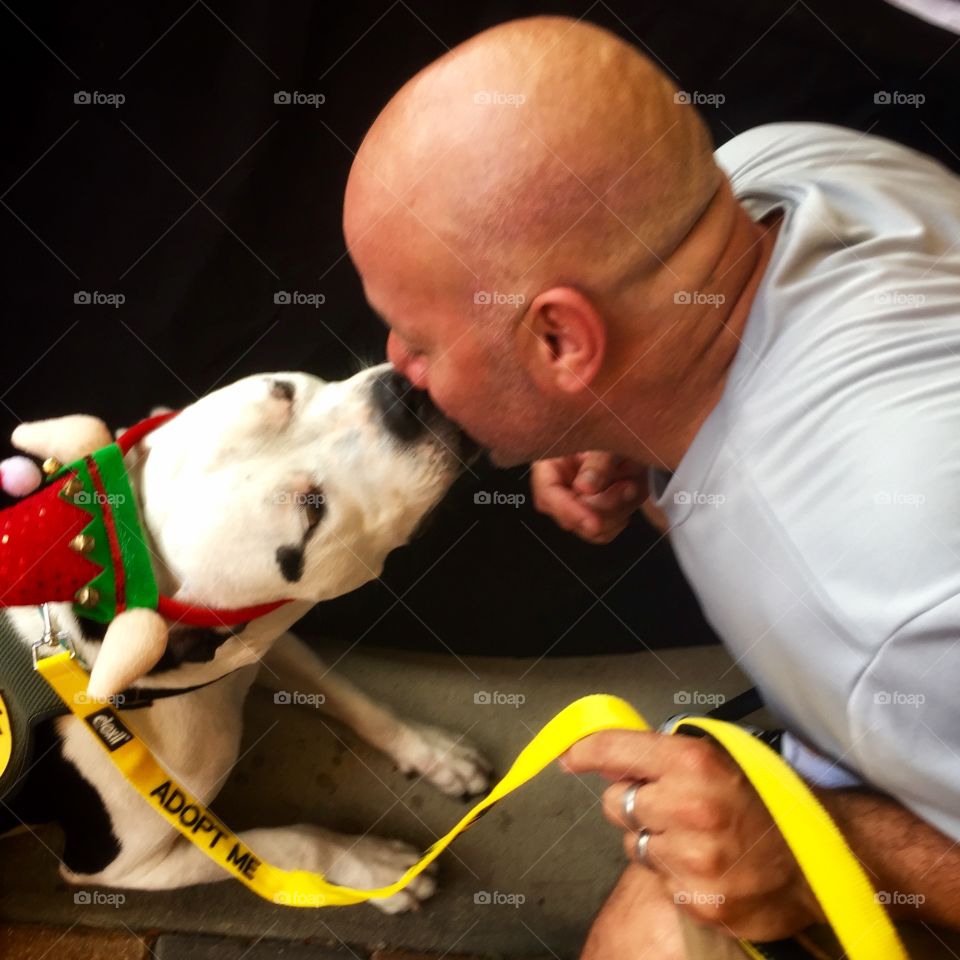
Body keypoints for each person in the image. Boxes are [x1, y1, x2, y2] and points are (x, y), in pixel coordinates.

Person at [342, 15, 960, 957]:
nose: (396, 366)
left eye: (417, 341)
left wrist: (816, 849)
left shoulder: (892, 600)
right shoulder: (772, 171)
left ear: (560, 342)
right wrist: (617, 425)